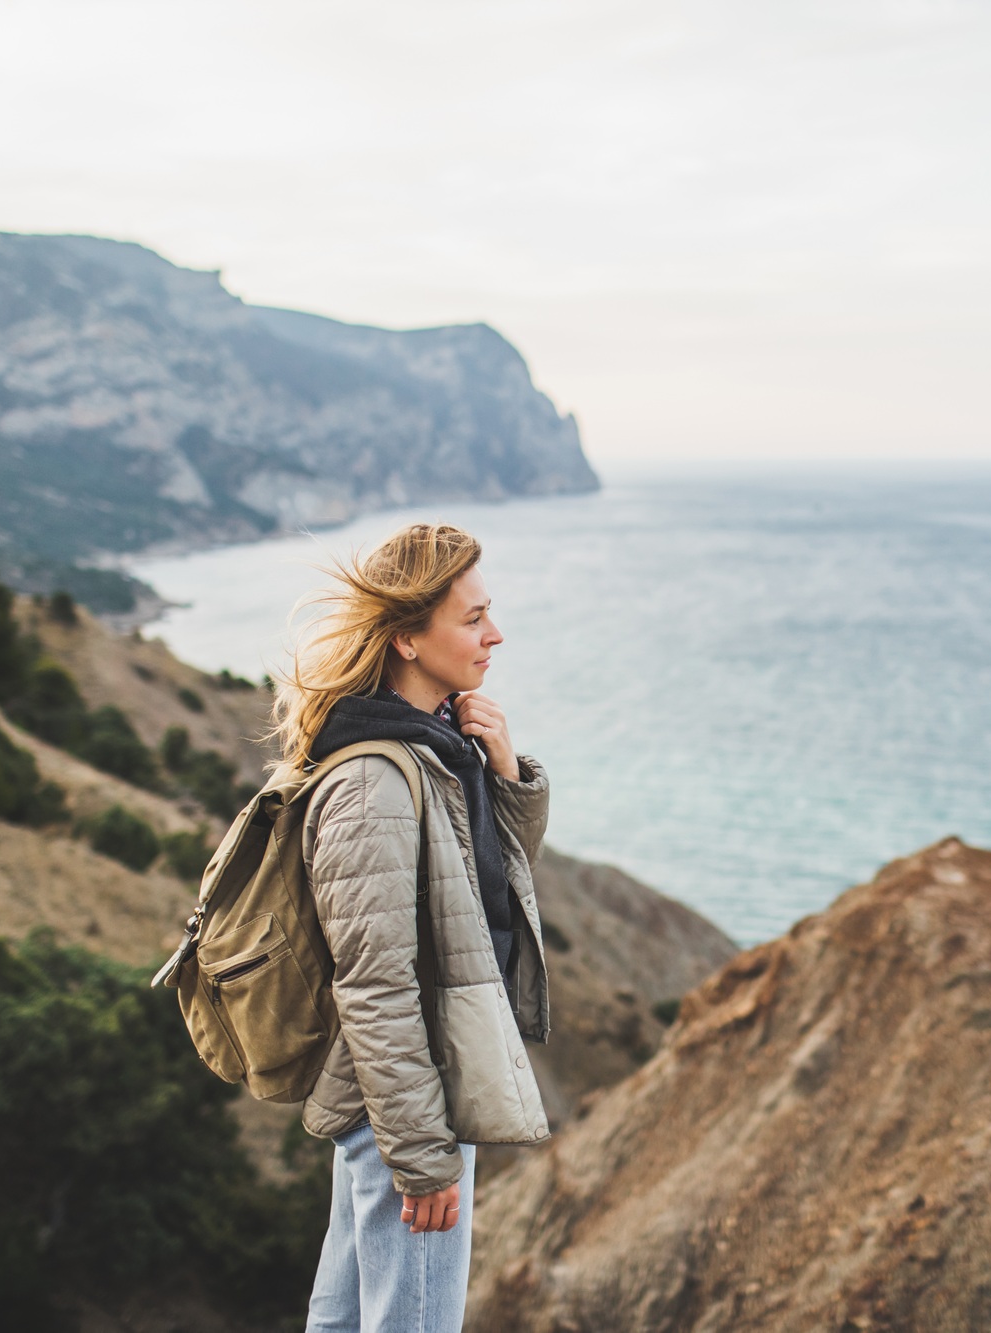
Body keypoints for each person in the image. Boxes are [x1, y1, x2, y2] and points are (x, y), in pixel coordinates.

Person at [274, 523, 552, 1333]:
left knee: (344, 1320)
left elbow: (484, 894)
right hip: (408, 1097)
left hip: (408, 1093)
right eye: (472, 618)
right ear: (405, 636)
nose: (494, 633)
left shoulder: (435, 749)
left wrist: (505, 774)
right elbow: (374, 983)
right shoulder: (373, 781)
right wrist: (423, 1156)